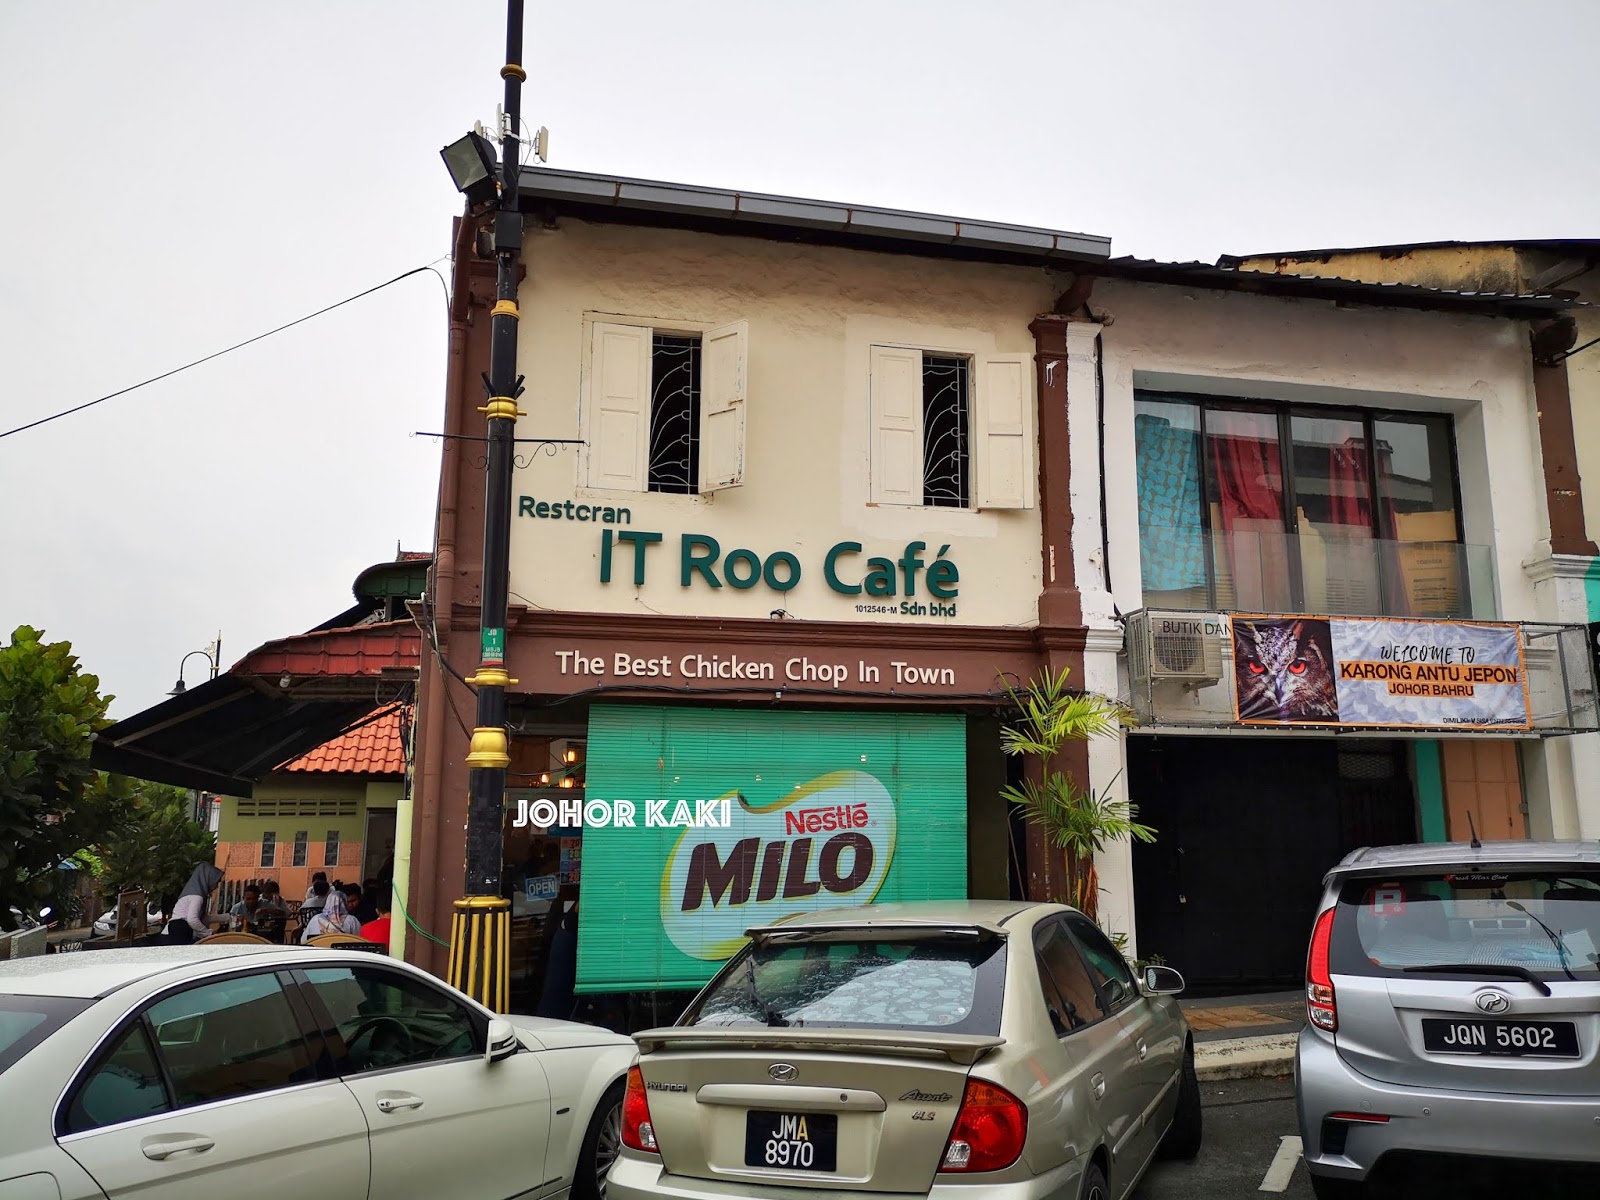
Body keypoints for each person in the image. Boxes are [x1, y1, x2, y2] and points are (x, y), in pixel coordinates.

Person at [163, 864, 223, 944]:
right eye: (216, 882)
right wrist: (208, 934)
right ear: (209, 879)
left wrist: (228, 917)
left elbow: (204, 918)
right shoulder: (197, 897)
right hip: (178, 932)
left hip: (175, 931)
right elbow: (192, 920)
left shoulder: (193, 893)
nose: (216, 886)